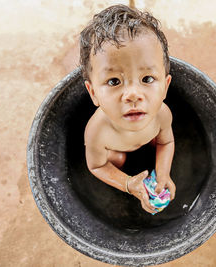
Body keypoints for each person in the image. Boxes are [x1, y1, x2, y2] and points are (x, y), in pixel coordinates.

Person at [80, 4, 176, 214]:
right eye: (114, 81)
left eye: (147, 79)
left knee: (155, 143)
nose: (133, 95)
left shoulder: (161, 114)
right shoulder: (97, 131)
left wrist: (162, 174)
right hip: (116, 150)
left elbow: (166, 141)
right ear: (93, 92)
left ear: (166, 86)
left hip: (146, 140)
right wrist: (127, 183)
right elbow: (96, 166)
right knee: (118, 159)